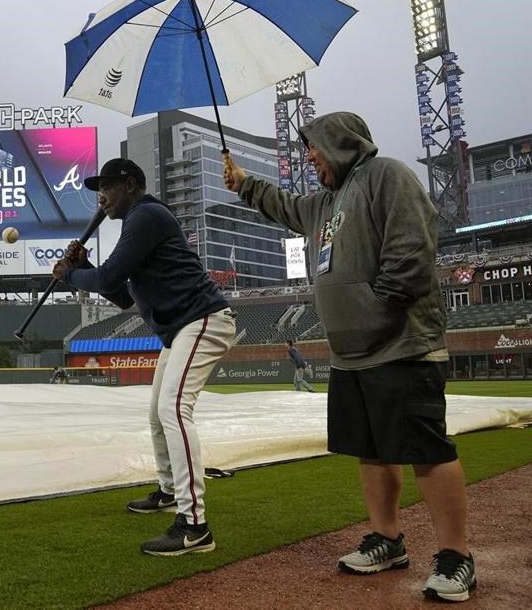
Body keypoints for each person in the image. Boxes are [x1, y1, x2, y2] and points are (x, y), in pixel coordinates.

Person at [224, 112, 475, 602]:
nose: (310, 158)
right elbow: (283, 205)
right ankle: (387, 538)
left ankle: (456, 555)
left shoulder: (387, 176)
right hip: (350, 356)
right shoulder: (324, 203)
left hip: (400, 344)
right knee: (370, 448)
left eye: (313, 148)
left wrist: (377, 311)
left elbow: (410, 251)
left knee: (426, 449)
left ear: (338, 142)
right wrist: (244, 184)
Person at [53, 158, 236, 557]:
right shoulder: (139, 223)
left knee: (173, 409)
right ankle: (170, 492)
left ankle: (194, 525)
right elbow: (120, 296)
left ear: (130, 184)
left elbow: (104, 281)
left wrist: (70, 274)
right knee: (157, 413)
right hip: (179, 330)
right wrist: (84, 266)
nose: (100, 196)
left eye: (107, 186)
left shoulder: (147, 215)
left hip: (202, 320)